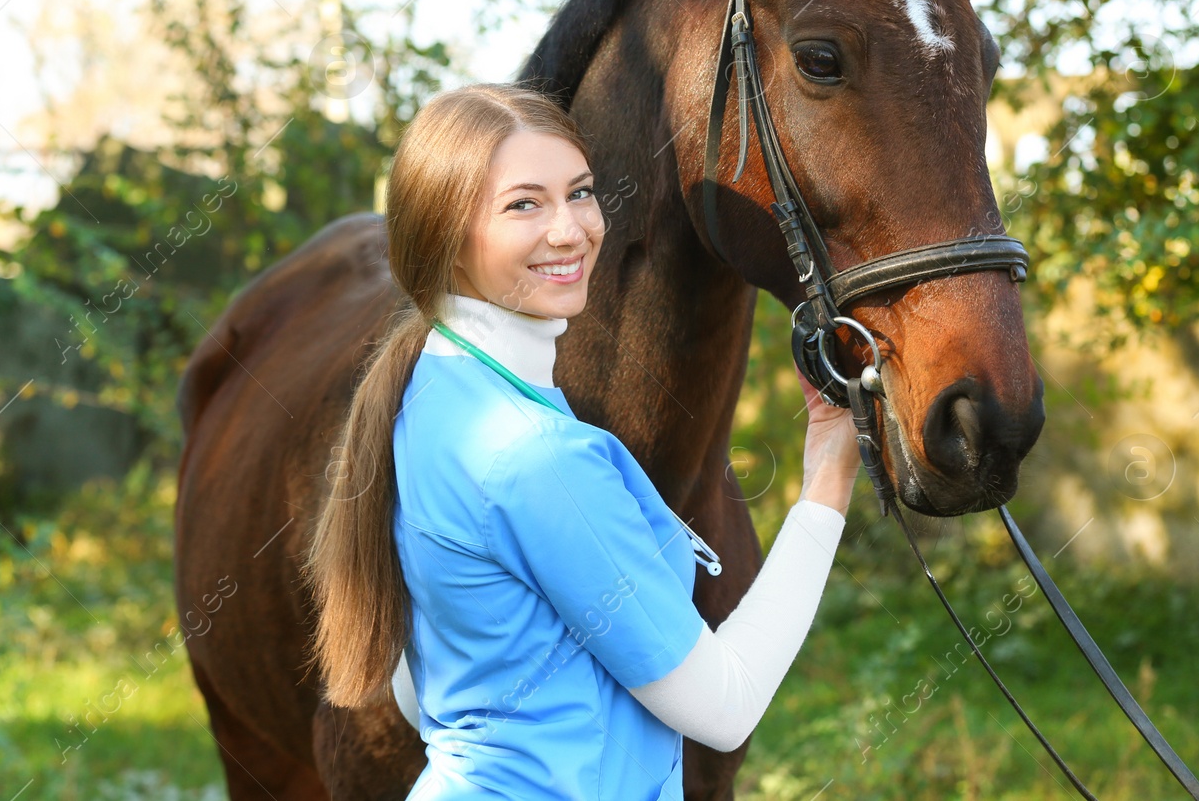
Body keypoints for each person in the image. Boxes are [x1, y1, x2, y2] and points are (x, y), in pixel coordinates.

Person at [299, 83, 862, 800]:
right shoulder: (541, 457)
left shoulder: (424, 396)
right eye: (523, 203)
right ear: (446, 232)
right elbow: (725, 707)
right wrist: (828, 478)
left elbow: (422, 696)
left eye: (581, 192)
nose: (570, 230)